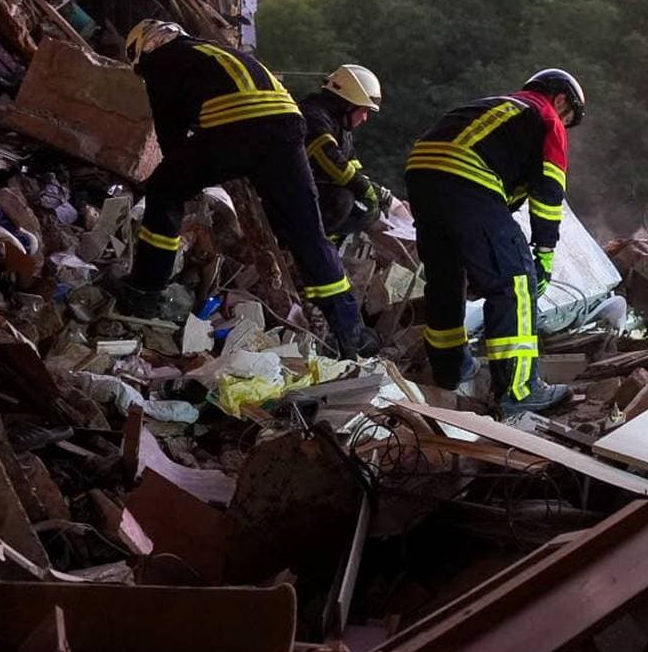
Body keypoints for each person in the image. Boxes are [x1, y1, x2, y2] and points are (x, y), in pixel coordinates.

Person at [115, 20, 376, 358]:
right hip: (287, 129)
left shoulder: (162, 62)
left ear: (142, 51)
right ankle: (350, 332)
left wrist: (188, 176)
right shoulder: (214, 51)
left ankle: (147, 288)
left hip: (241, 131)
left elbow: (171, 137)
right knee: (309, 233)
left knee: (164, 189)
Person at [405, 69, 585, 414]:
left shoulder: (495, 107)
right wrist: (544, 253)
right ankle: (519, 390)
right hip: (468, 176)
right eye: (569, 117)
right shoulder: (546, 117)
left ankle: (448, 369)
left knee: (445, 278)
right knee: (514, 279)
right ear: (561, 99)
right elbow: (548, 194)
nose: (566, 124)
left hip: (422, 172)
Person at [298, 64, 391, 242]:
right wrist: (364, 188)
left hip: (308, 192)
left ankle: (324, 245)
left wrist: (377, 192)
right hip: (287, 192)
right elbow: (329, 159)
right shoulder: (313, 116)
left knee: (365, 209)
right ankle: (303, 243)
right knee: (343, 200)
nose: (364, 118)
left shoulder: (341, 129)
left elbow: (351, 167)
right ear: (347, 104)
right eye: (363, 110)